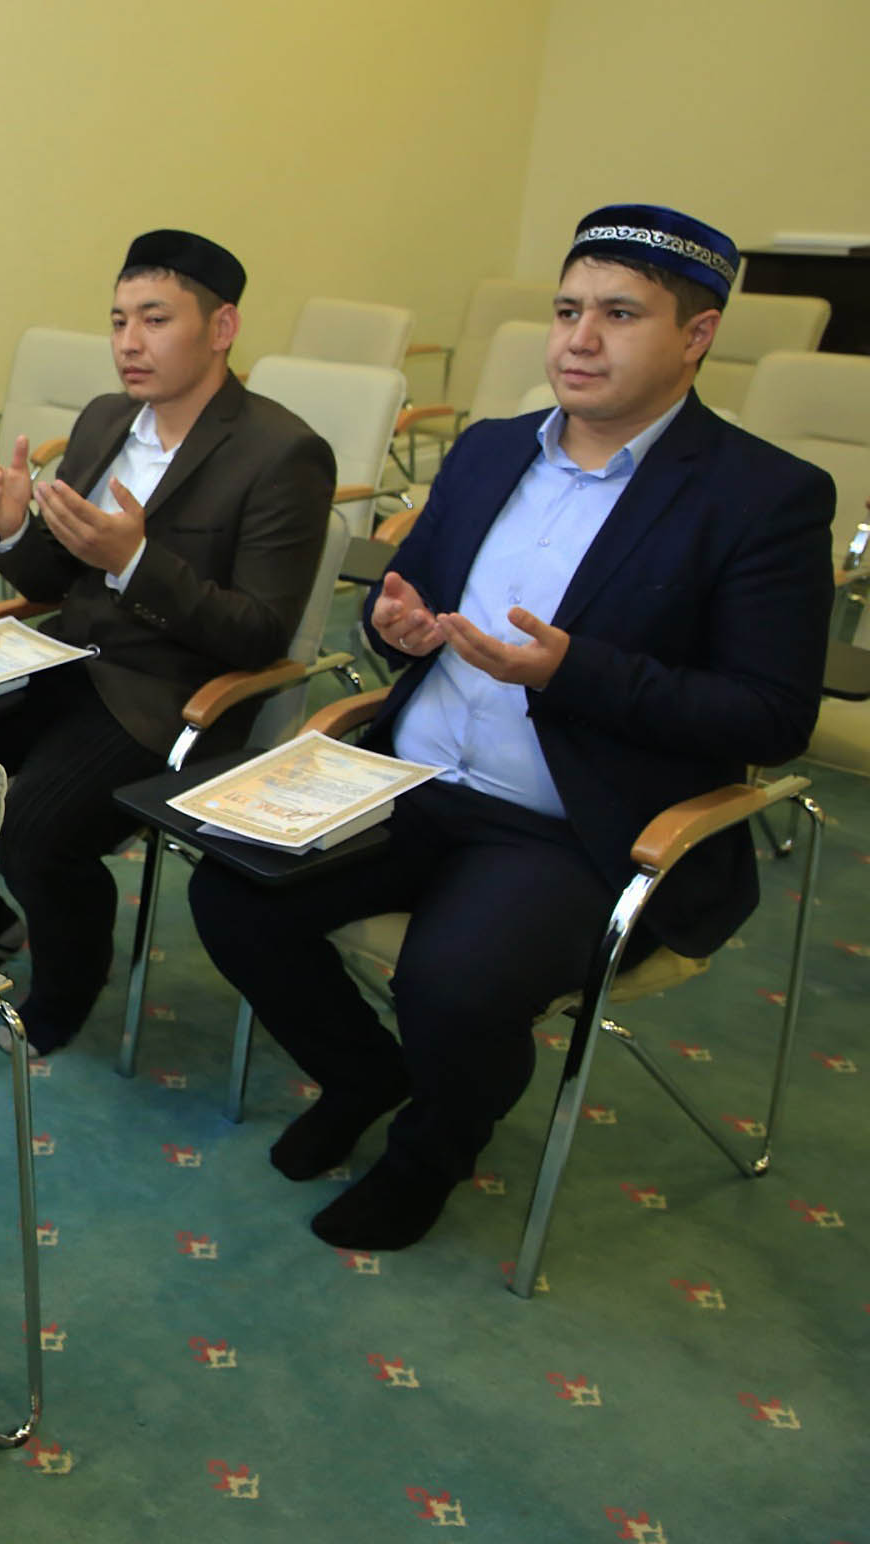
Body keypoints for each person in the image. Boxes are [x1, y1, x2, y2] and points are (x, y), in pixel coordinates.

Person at [186, 204, 834, 1251]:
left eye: (619, 315)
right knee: (230, 894)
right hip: (409, 781)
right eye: (568, 311)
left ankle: (431, 1152)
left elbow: (771, 712)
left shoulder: (761, 496)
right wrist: (392, 625)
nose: (580, 339)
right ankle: (366, 1074)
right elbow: (409, 598)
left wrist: (574, 672)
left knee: (452, 986)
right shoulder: (491, 450)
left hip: (572, 822)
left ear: (697, 335)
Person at [0, 230, 334, 1056]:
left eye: (155, 319)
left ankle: (65, 991)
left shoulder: (281, 452)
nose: (129, 343)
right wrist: (13, 525)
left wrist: (134, 562)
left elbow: (258, 633)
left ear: (222, 327)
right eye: (118, 320)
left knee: (34, 830)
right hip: (68, 658)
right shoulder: (107, 419)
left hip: (171, 695)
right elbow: (55, 579)